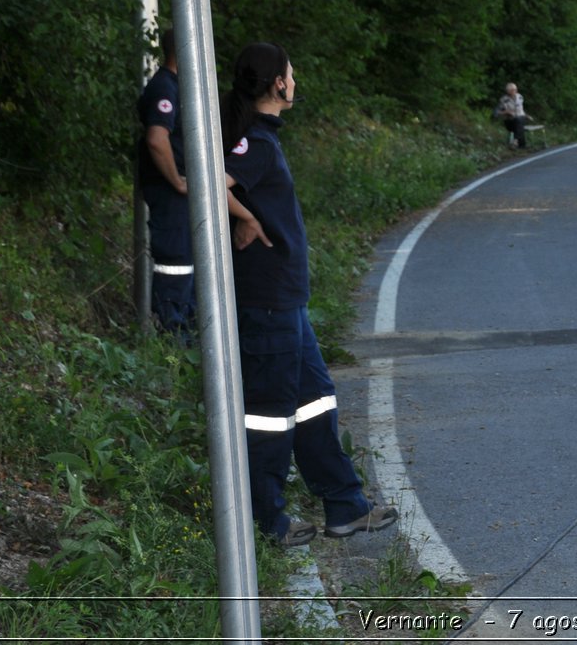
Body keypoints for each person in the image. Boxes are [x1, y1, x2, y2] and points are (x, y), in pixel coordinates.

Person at [221, 42, 399, 547]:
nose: (295, 83)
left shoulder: (261, 138)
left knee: (315, 400)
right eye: (291, 75)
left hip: (286, 300)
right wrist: (248, 217)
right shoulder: (252, 141)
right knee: (271, 415)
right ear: (278, 84)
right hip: (268, 300)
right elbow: (210, 181)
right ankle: (265, 523)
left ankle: (345, 506)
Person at [136, 28, 194, 340]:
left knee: (187, 266)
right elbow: (157, 139)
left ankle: (185, 342)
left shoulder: (176, 87)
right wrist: (177, 181)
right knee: (176, 265)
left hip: (176, 196)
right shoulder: (165, 88)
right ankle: (175, 344)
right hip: (169, 195)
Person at [496, 82, 527, 148]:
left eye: (515, 89)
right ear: (508, 91)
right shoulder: (503, 100)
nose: (514, 91)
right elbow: (497, 112)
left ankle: (515, 141)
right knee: (519, 122)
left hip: (520, 118)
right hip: (510, 121)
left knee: (519, 120)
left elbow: (521, 109)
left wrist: (526, 115)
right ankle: (521, 145)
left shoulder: (520, 97)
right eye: (512, 90)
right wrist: (506, 112)